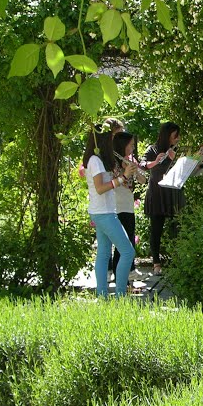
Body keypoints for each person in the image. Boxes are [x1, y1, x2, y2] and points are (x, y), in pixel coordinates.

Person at [84, 127, 135, 297]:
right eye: (111, 137)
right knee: (128, 251)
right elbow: (100, 188)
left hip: (102, 212)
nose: (114, 141)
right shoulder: (95, 161)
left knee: (104, 253)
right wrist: (124, 177)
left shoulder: (98, 159)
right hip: (104, 213)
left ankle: (102, 296)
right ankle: (120, 295)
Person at [141, 121, 183, 275]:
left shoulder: (178, 150)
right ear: (167, 135)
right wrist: (157, 161)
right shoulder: (153, 149)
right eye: (175, 136)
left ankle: (178, 261)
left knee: (176, 229)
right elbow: (142, 164)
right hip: (158, 193)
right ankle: (156, 263)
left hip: (173, 192)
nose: (177, 139)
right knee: (156, 229)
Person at [110, 131, 143, 277]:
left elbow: (142, 180)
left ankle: (125, 277)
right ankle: (121, 276)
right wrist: (126, 171)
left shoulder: (129, 160)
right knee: (122, 244)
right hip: (118, 206)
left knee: (129, 239)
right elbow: (117, 182)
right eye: (130, 145)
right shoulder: (112, 161)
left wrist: (135, 171)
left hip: (128, 206)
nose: (133, 148)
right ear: (122, 145)